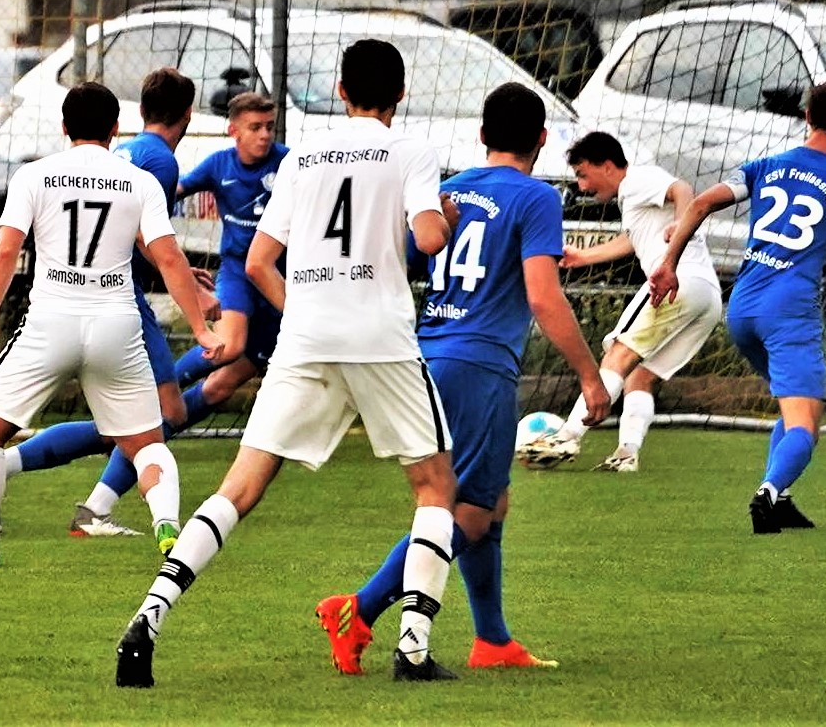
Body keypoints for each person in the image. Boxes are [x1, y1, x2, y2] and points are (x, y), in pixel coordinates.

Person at [114, 38, 464, 688]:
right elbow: (427, 238)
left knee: (238, 489)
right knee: (436, 487)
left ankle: (148, 617)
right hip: (380, 340)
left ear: (341, 91)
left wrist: (306, 310)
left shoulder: (304, 156)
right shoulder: (410, 151)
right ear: (401, 93)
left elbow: (257, 262)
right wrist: (443, 215)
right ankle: (413, 649)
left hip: (305, 338)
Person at [316, 83, 610, 675]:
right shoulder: (536, 197)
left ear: (481, 135)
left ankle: (493, 640)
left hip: (426, 354)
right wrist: (590, 375)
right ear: (542, 139)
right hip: (479, 366)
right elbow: (543, 295)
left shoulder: (448, 191)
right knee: (468, 512)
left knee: (489, 501)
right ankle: (358, 609)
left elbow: (402, 261)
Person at [0, 81, 224, 570]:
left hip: (51, 322)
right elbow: (168, 258)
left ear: (64, 126)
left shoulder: (34, 175)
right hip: (116, 325)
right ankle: (168, 529)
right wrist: (201, 329)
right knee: (146, 444)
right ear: (116, 129)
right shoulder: (138, 181)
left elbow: (6, 250)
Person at [649, 78, 826, 533]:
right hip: (789, 314)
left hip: (743, 308)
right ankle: (769, 493)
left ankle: (782, 500)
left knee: (794, 407)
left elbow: (699, 204)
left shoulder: (766, 166)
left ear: (807, 117)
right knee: (805, 426)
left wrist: (668, 263)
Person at [61, 91, 289, 535]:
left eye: (269, 127)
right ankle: (15, 465)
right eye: (255, 127)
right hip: (242, 275)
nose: (264, 135)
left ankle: (94, 503)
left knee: (219, 387)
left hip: (280, 283)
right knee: (218, 356)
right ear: (232, 130)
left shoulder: (289, 163)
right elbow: (162, 210)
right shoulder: (199, 164)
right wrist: (180, 272)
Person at [520, 130, 723, 472]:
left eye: (583, 174)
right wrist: (583, 257)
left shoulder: (637, 179)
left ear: (607, 165)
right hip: (706, 296)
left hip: (677, 282)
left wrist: (681, 220)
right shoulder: (633, 199)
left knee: (618, 354)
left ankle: (566, 437)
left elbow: (682, 189)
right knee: (640, 375)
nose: (582, 186)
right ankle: (626, 455)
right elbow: (632, 240)